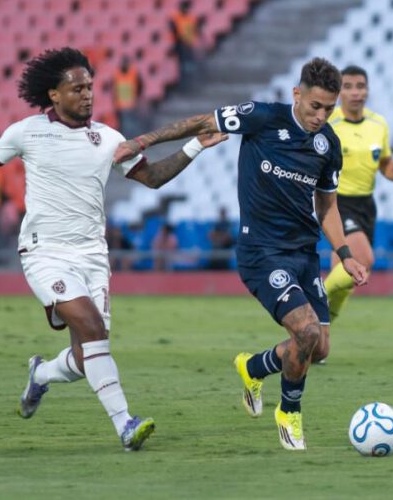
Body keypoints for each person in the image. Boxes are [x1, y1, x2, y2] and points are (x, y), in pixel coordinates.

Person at [0, 47, 226, 451]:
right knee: (94, 331)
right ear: (54, 95)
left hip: (93, 255)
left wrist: (195, 146)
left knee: (87, 354)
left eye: (90, 87)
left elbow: (153, 178)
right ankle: (126, 424)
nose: (87, 94)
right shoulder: (27, 132)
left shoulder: (109, 139)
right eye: (77, 89)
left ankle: (41, 376)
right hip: (44, 253)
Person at [112, 57, 368, 451]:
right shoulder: (263, 117)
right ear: (296, 94)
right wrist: (141, 141)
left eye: (329, 109)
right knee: (307, 332)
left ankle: (252, 367)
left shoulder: (328, 144)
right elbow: (200, 122)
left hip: (304, 254)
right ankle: (290, 414)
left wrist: (345, 253)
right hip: (261, 252)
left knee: (318, 349)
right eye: (315, 106)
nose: (321, 116)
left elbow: (327, 207)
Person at [324, 65, 393, 324]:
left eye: (360, 86)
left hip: (366, 205)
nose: (355, 92)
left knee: (344, 279)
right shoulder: (330, 124)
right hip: (338, 202)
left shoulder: (378, 123)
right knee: (363, 260)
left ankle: (317, 337)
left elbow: (383, 160)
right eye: (348, 87)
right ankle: (316, 296)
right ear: (339, 92)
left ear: (368, 90)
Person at [112, 56, 143, 139]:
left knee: (130, 124)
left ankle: (133, 139)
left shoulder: (133, 72)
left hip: (132, 103)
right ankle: (130, 139)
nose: (124, 65)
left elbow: (140, 85)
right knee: (126, 124)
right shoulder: (117, 74)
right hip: (121, 104)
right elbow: (114, 89)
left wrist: (138, 96)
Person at [170, 0, 200, 83]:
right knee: (183, 66)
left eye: (186, 7)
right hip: (180, 45)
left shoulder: (192, 18)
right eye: (184, 7)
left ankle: (190, 81)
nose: (185, 9)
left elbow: (195, 31)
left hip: (190, 45)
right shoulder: (175, 18)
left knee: (189, 65)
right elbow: (174, 32)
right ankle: (184, 82)